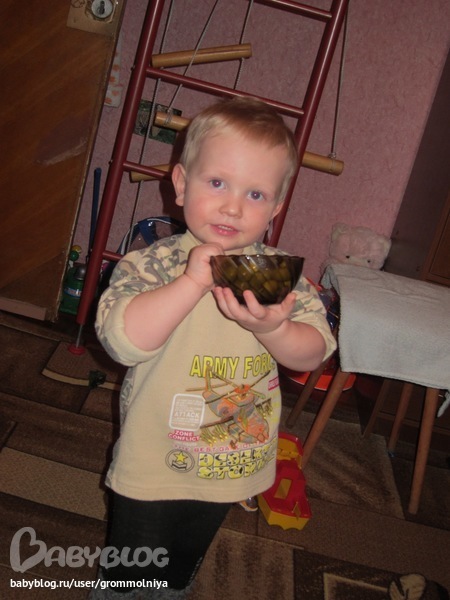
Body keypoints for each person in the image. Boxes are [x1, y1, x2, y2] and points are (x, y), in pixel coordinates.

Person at [92, 96, 336, 599]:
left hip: (231, 462)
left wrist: (272, 329)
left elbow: (312, 355)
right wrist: (190, 283)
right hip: (154, 457)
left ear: (276, 207)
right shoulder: (153, 264)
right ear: (181, 184)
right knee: (129, 577)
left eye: (255, 193)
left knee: (180, 569)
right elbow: (123, 342)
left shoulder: (282, 278)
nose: (233, 206)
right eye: (218, 183)